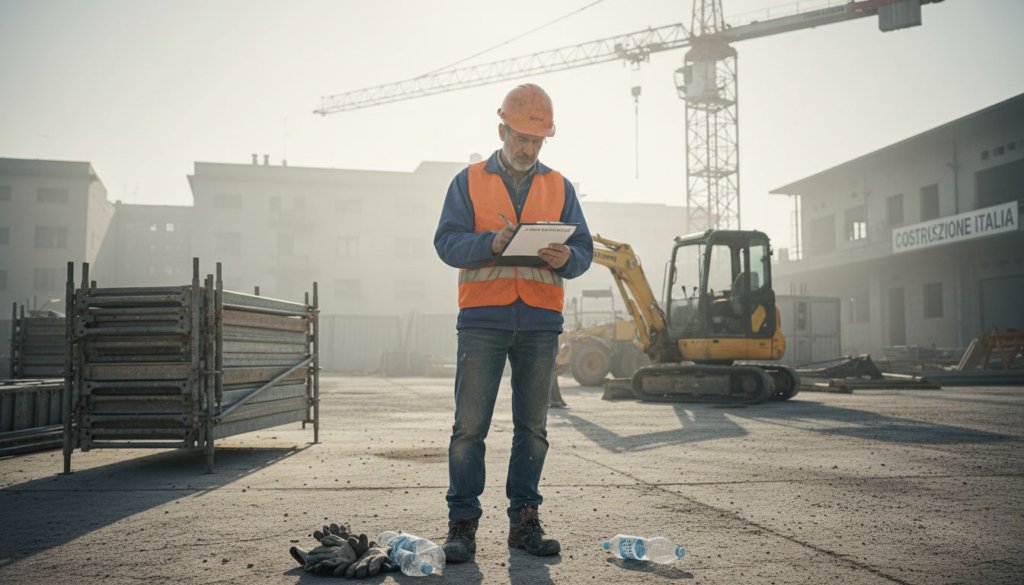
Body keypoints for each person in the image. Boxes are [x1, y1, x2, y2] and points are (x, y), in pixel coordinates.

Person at [433, 83, 593, 563]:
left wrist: (568, 258)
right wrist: (490, 243)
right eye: (521, 138)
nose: (528, 148)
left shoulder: (560, 186)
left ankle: (524, 522)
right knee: (469, 428)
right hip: (483, 319)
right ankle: (462, 525)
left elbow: (584, 251)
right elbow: (446, 243)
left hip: (540, 322)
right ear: (501, 130)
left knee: (533, 429)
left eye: (536, 141)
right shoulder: (467, 181)